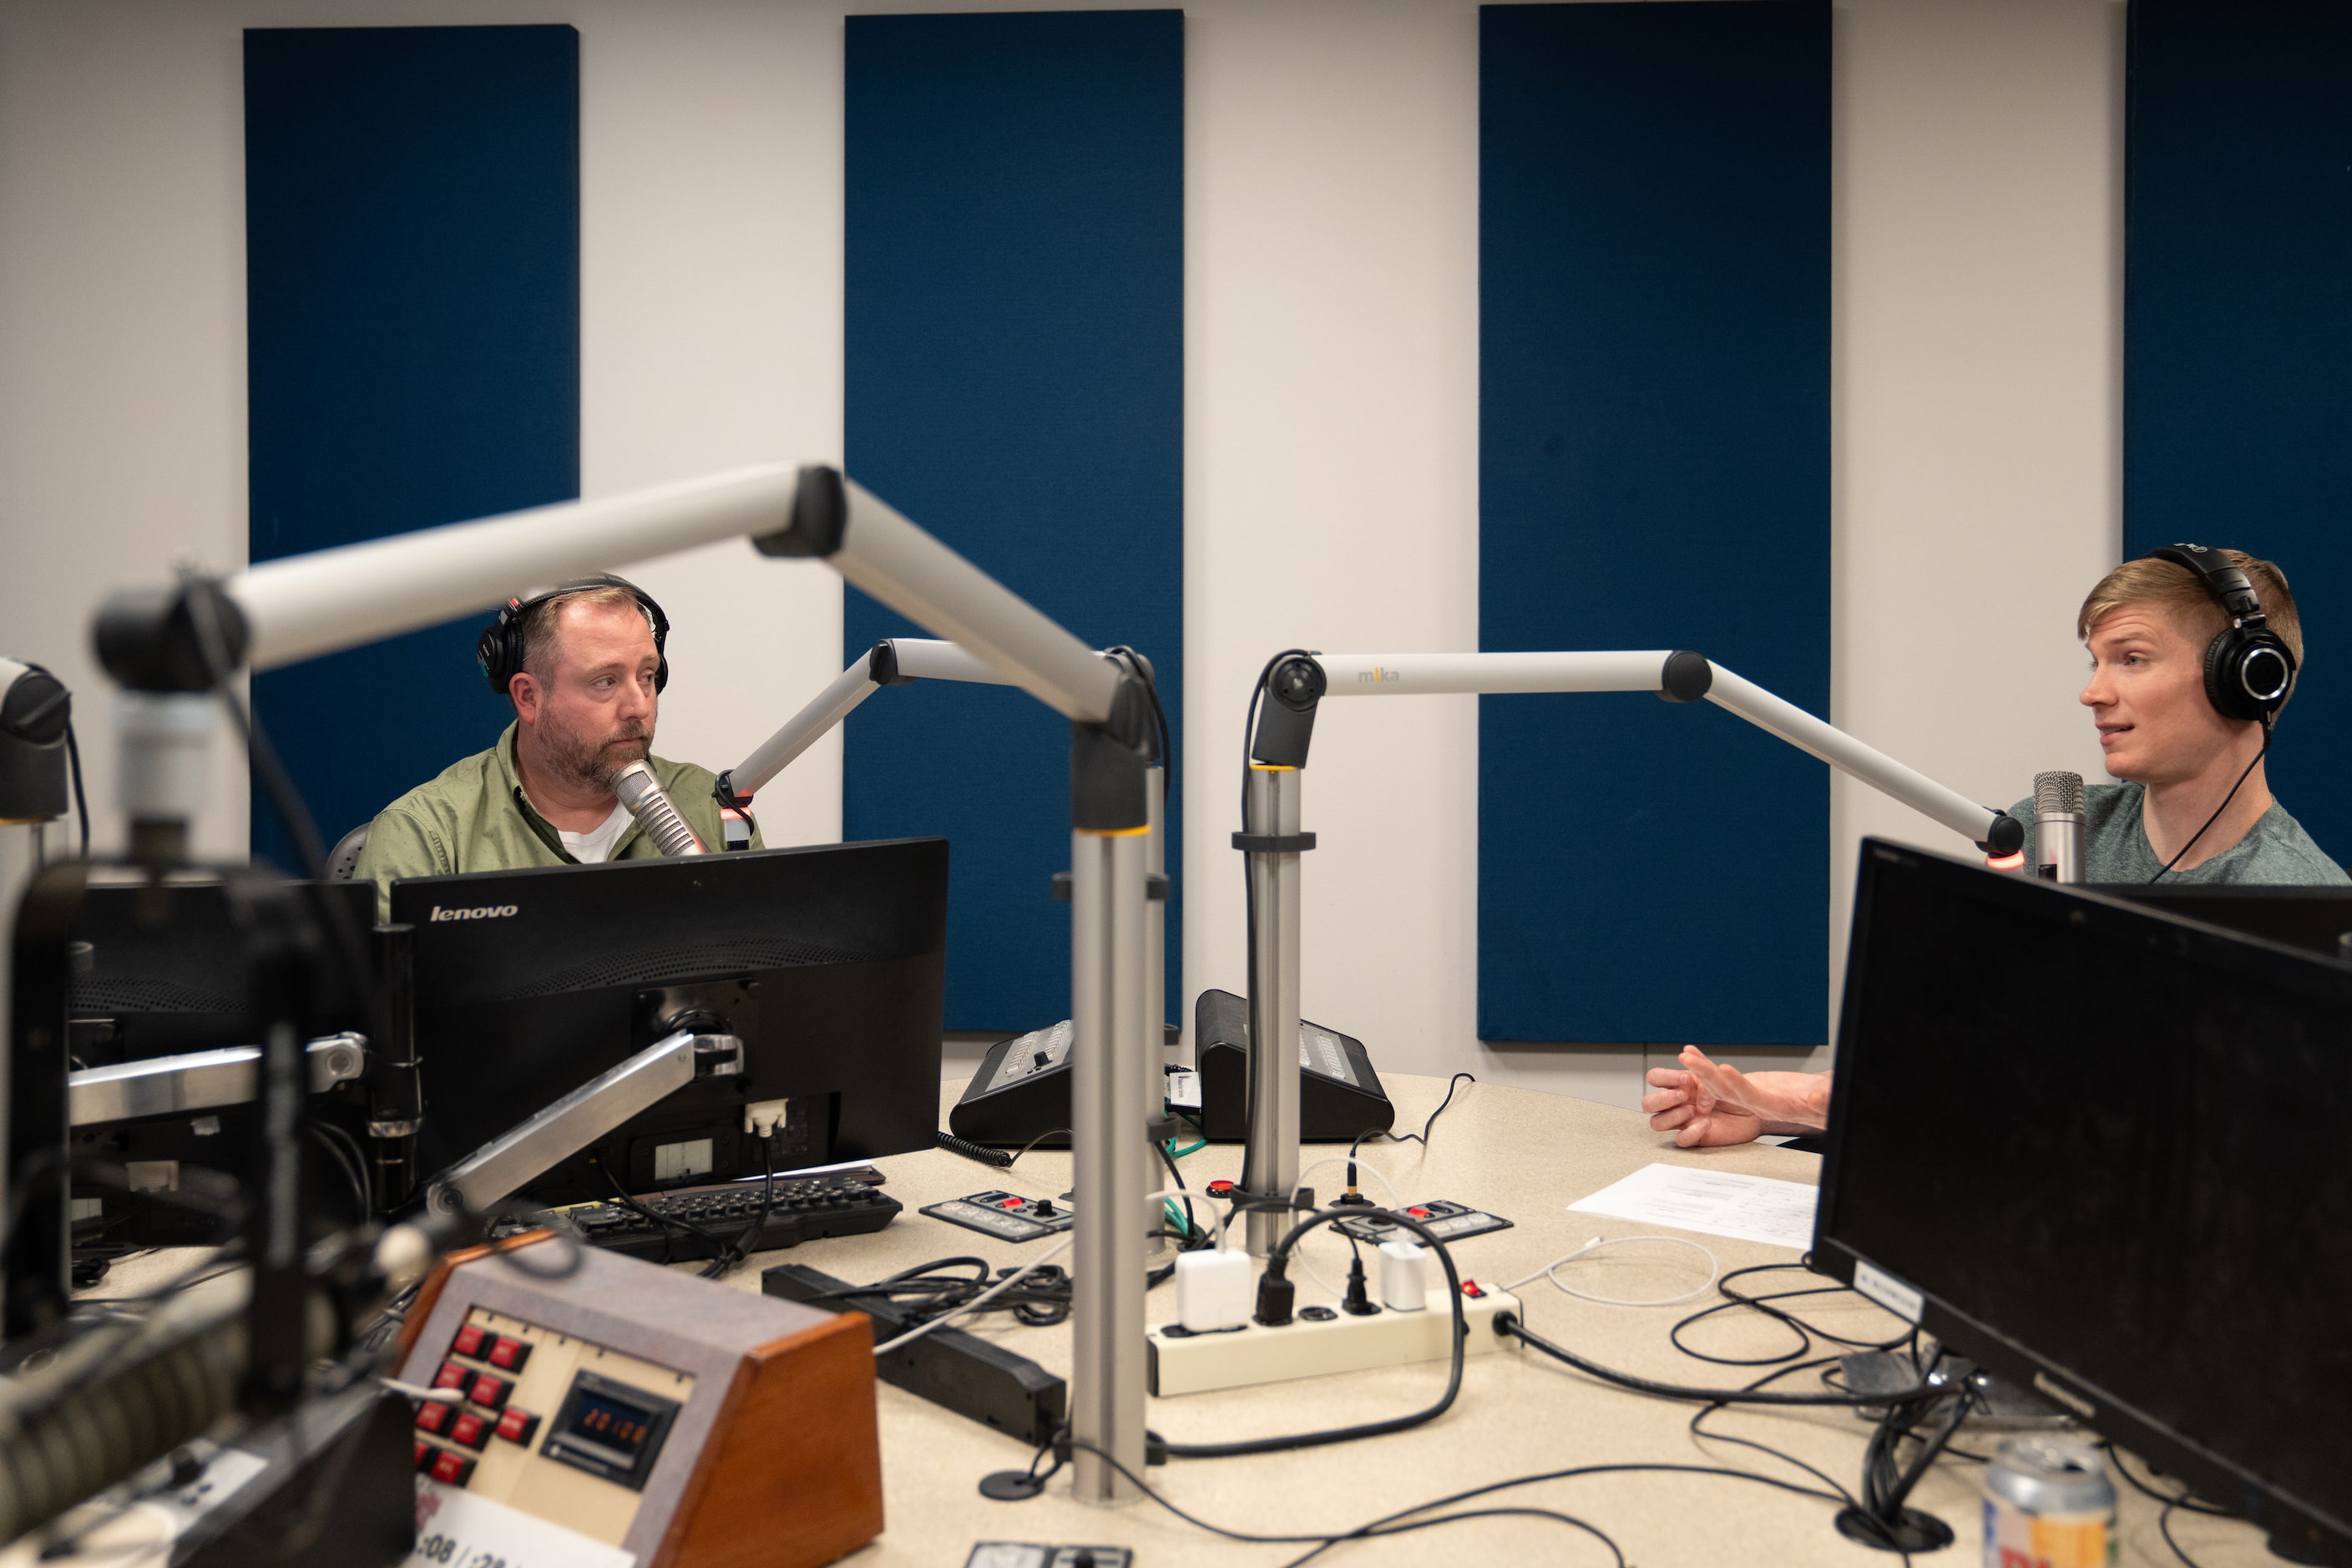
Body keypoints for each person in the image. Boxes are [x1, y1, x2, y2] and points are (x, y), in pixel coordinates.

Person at [1643, 545, 2347, 1149]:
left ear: (2246, 677)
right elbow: (1965, 1060)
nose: (2091, 692)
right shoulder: (2046, 831)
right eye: (2094, 662)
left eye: (2130, 659)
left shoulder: (2308, 909)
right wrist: (1787, 1109)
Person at [351, 576, 756, 918]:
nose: (639, 705)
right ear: (528, 697)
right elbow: (384, 1008)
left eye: (647, 676)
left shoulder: (712, 809)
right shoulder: (428, 836)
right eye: (606, 682)